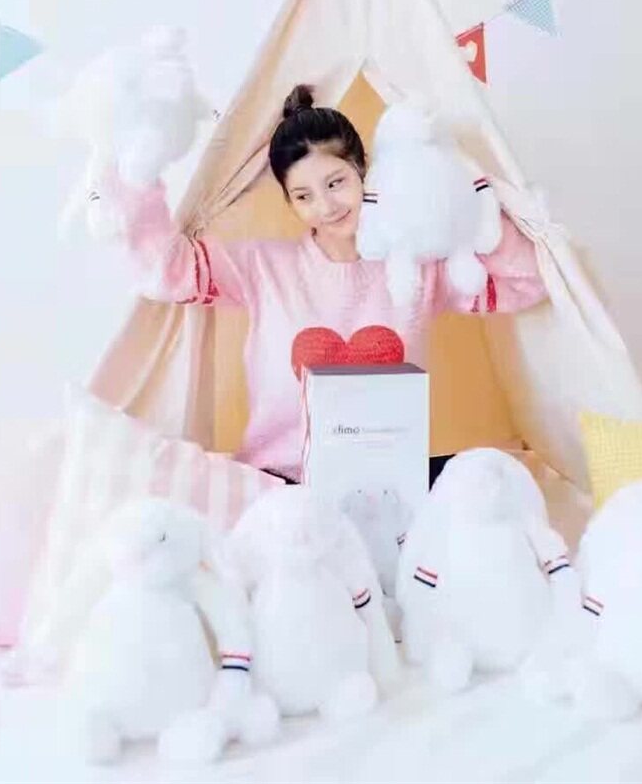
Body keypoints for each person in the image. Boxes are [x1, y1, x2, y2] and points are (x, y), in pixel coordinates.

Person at [111, 84, 548, 487]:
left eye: (336, 183)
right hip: (282, 480)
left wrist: (467, 202)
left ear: (363, 171)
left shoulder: (417, 267)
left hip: (389, 481)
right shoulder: (264, 266)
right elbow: (166, 271)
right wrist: (137, 180)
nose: (326, 206)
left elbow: (526, 282)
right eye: (304, 196)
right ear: (290, 202)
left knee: (492, 477)